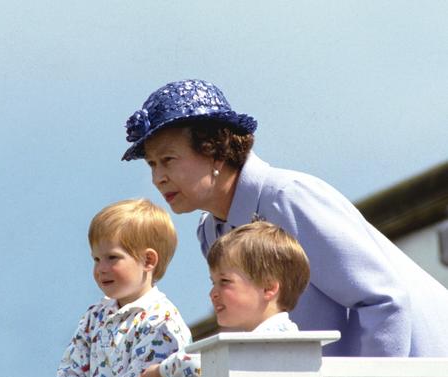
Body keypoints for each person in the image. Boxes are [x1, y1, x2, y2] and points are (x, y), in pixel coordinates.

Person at [121, 79, 448, 357]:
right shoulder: (211, 232)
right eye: (152, 164)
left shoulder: (288, 196)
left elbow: (383, 299)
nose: (158, 178)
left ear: (215, 150)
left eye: (168, 159)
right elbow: (256, 334)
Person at [48, 198, 192, 377]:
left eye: (112, 257)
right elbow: (73, 367)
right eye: (96, 259)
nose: (101, 269)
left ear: (148, 260)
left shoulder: (161, 320)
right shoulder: (95, 316)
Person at [119, 221, 310, 377]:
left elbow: (198, 363)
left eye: (225, 281)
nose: (213, 293)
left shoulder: (274, 337)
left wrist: (157, 372)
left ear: (268, 288)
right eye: (213, 283)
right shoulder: (263, 339)